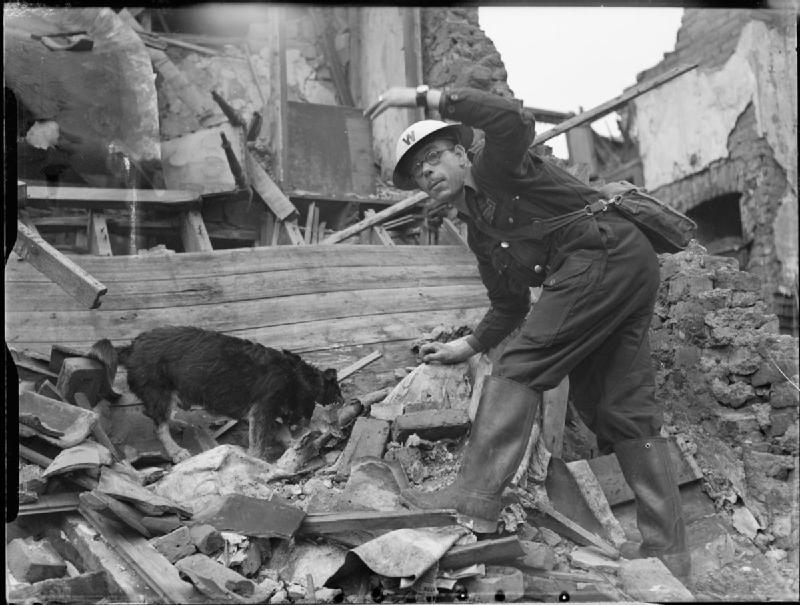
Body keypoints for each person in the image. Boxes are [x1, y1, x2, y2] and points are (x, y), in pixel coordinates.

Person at [365, 85, 690, 581]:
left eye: (433, 158)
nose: (426, 173)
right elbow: (508, 304)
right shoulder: (480, 232)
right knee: (619, 408)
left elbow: (514, 121)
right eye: (417, 172)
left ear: (459, 151)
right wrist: (467, 345)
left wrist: (429, 96)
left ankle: (473, 507)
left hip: (601, 253)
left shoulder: (499, 168)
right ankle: (668, 555)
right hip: (621, 263)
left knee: (519, 365)